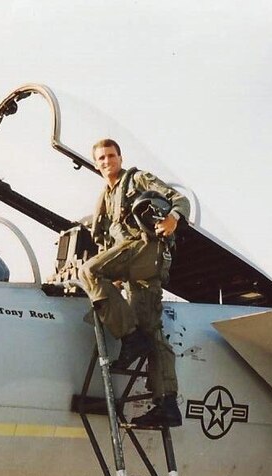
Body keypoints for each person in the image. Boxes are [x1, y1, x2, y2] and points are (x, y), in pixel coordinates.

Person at [79, 138, 190, 428]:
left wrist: (172, 220)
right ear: (95, 163)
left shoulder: (136, 179)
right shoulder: (104, 197)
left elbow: (180, 199)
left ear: (120, 157)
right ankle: (166, 404)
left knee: (89, 272)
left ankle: (129, 338)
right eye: (101, 158)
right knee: (152, 331)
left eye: (111, 155)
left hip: (145, 249)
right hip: (136, 264)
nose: (107, 161)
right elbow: (103, 240)